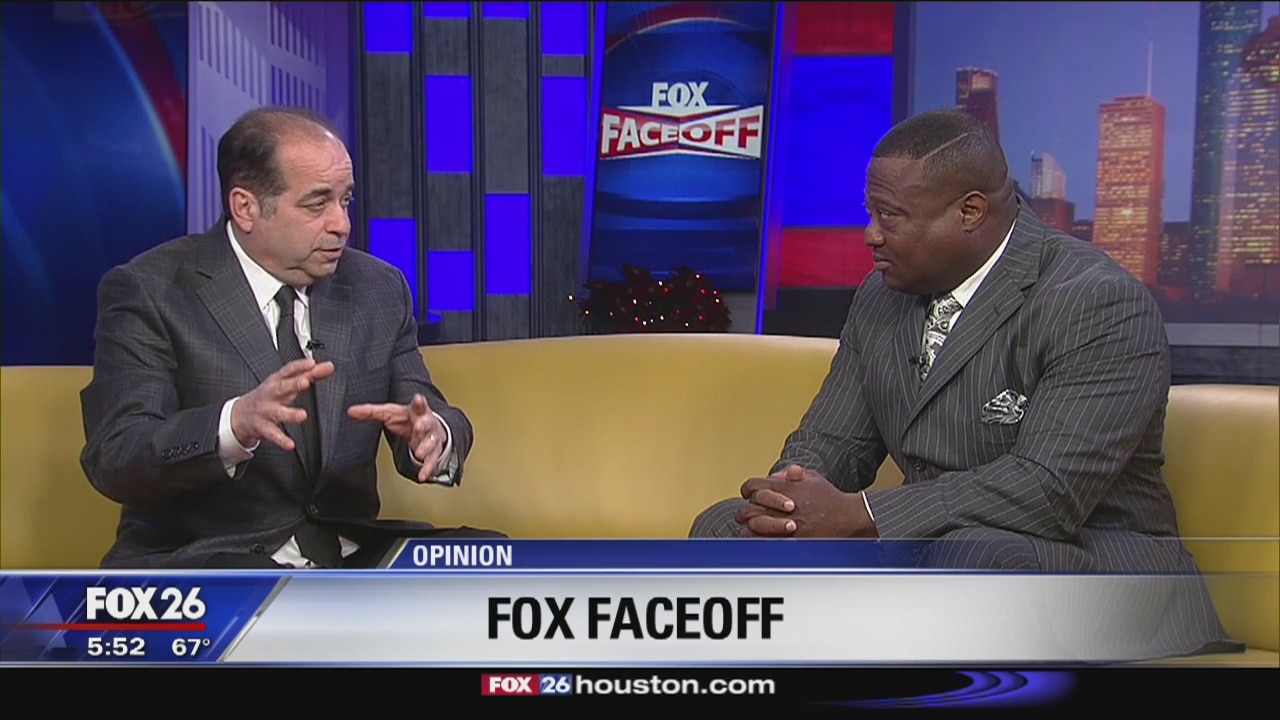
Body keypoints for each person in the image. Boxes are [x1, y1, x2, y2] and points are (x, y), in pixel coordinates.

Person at [689, 110, 1241, 658]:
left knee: (975, 559)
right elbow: (833, 442)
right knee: (725, 530)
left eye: (890, 216)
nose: (870, 235)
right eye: (870, 212)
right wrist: (787, 504)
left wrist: (863, 517)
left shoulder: (1096, 301)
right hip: (934, 545)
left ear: (970, 212)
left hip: (1088, 562)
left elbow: (1048, 491)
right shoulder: (881, 296)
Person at [80, 106, 503, 569]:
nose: (341, 224)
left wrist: (434, 434)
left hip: (348, 554)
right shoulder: (152, 289)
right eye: (317, 205)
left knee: (495, 561)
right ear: (246, 208)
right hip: (214, 559)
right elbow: (117, 454)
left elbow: (423, 407)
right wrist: (233, 423)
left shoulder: (378, 288)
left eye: (345, 201)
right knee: (264, 589)